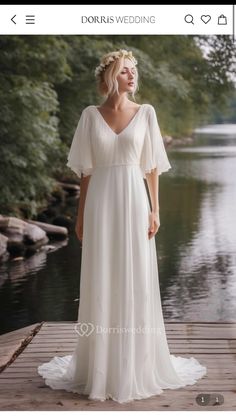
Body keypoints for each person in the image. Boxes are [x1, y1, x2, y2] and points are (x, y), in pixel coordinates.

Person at [38, 49, 207, 403]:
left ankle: (135, 366)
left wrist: (155, 210)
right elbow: (86, 172)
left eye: (134, 71)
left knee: (135, 277)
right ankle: (99, 366)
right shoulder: (89, 115)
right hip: (100, 203)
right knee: (102, 275)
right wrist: (80, 216)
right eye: (126, 71)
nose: (132, 76)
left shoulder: (146, 113)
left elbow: (152, 168)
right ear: (111, 75)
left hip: (134, 200)